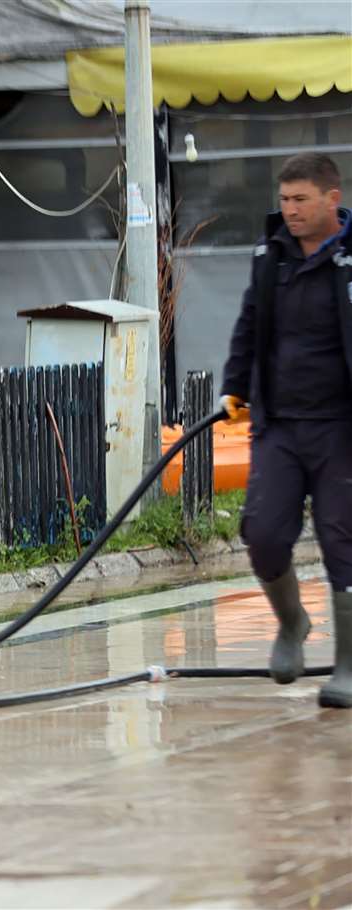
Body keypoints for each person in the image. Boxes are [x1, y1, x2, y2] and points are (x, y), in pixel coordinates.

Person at [220, 152, 352, 709]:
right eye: (284, 200)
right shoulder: (268, 257)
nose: (290, 210)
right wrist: (235, 386)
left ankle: (347, 665)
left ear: (332, 199)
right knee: (263, 532)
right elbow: (251, 321)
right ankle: (292, 623)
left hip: (341, 430)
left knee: (341, 540)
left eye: (300, 200)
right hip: (279, 425)